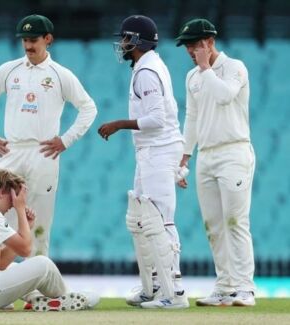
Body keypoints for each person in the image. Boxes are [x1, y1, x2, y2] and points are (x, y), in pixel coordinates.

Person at [0, 14, 97, 260]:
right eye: (25, 40)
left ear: (48, 39)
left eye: (33, 40)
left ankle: (36, 285)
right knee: (0, 218)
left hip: (43, 153)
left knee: (40, 221)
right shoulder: (9, 70)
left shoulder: (60, 74)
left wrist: (66, 140)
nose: (28, 46)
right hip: (12, 152)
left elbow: (89, 108)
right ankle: (2, 281)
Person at [97, 15, 189, 309]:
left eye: (125, 39)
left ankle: (173, 292)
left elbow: (157, 119)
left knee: (161, 221)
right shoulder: (146, 66)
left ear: (137, 41)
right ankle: (152, 287)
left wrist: (118, 124)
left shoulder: (147, 71)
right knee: (140, 219)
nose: (122, 44)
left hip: (159, 151)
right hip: (151, 152)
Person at [175, 18, 256, 307]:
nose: (190, 51)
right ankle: (224, 287)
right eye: (187, 46)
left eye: (195, 45)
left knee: (235, 221)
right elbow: (193, 118)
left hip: (234, 151)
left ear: (209, 42)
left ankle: (245, 288)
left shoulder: (234, 67)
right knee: (213, 225)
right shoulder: (192, 77)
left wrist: (207, 67)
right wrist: (185, 155)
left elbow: (225, 97)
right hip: (207, 156)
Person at [0, 169, 99, 312]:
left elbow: (1, 261)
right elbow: (25, 249)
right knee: (43, 265)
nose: (13, 205)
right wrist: (21, 209)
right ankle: (68, 297)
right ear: (2, 191)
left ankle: (39, 299)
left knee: (12, 267)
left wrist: (26, 227)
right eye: (13, 198)